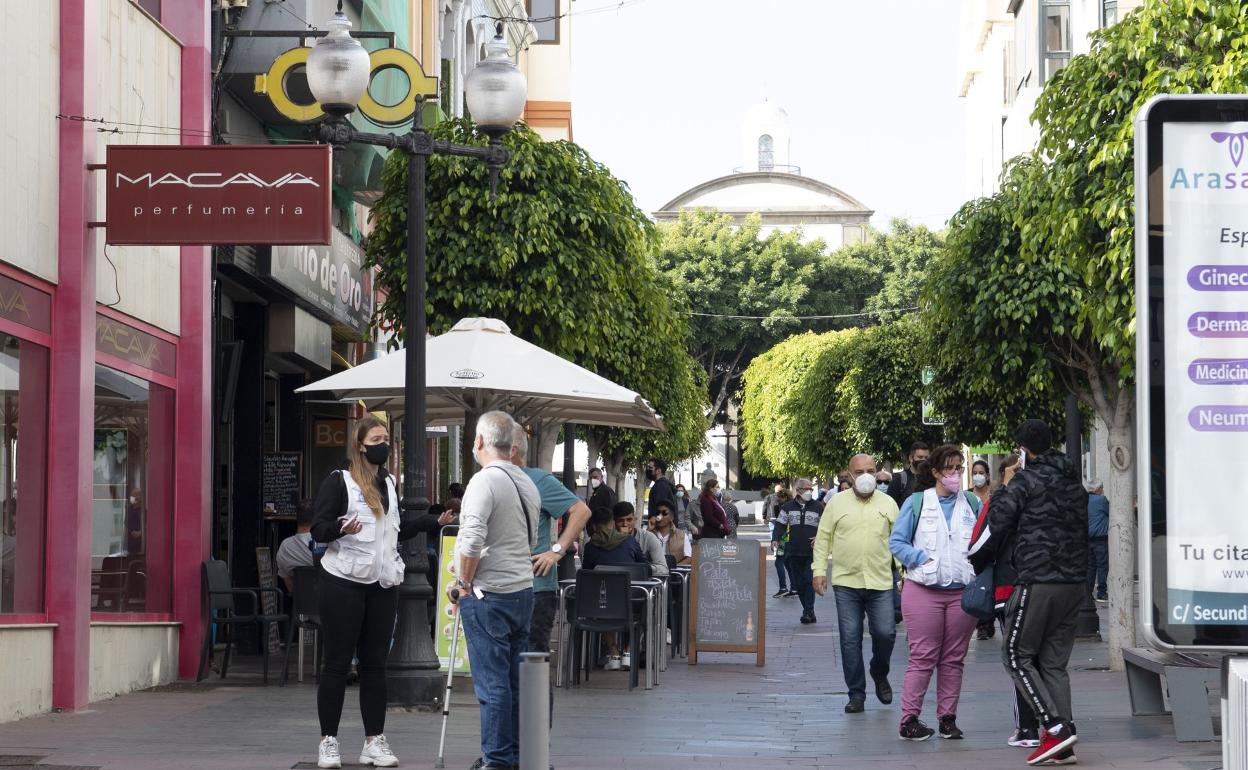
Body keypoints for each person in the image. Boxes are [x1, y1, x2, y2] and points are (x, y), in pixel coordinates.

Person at [309, 415, 446, 769]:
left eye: (386, 437)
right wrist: (341, 528)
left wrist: (433, 521)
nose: (383, 444)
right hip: (343, 583)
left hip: (382, 584)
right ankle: (329, 741)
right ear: (360, 445)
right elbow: (318, 530)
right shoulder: (339, 482)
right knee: (337, 665)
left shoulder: (388, 484)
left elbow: (393, 533)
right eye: (377, 438)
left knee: (375, 667)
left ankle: (374, 741)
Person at [969, 419, 1088, 766]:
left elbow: (998, 521)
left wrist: (1004, 486)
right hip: (1074, 584)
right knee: (1053, 663)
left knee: (1016, 655)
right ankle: (1064, 741)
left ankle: (1053, 728)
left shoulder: (1026, 481)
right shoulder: (1073, 482)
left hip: (1037, 579)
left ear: (1023, 449)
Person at [448, 411, 540, 770]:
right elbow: (528, 539)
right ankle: (514, 755)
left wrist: (463, 583)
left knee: (491, 685)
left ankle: (497, 760)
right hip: (522, 591)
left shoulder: (484, 482)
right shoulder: (525, 482)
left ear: (481, 441)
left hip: (489, 595)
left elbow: (471, 539)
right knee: (514, 682)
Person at [889, 445, 983, 741]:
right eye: (950, 468)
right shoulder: (917, 502)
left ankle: (947, 719)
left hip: (962, 593)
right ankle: (909, 719)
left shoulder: (970, 502)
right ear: (935, 473)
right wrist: (923, 560)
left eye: (959, 468)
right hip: (923, 590)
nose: (956, 474)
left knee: (954, 658)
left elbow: (985, 540)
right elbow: (897, 542)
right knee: (923, 656)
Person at [811, 455, 899, 714]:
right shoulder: (836, 504)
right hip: (846, 583)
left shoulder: (889, 503)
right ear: (848, 475)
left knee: (886, 633)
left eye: (870, 470)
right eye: (859, 471)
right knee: (850, 639)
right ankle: (856, 694)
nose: (866, 475)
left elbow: (898, 541)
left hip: (881, 581)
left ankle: (879, 671)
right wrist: (818, 572)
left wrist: (904, 575)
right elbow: (823, 538)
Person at [970, 454, 1041, 749]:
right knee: (1046, 659)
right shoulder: (1051, 496)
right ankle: (1057, 723)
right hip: (1051, 587)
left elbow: (979, 545)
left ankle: (1028, 728)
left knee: (1019, 658)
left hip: (1011, 588)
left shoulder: (1001, 501)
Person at [510, 424, 591, 656]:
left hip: (535, 588)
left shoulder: (537, 480)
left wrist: (557, 550)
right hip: (498, 589)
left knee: (531, 662)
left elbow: (581, 510)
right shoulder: (488, 479)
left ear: (511, 449)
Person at [581, 505, 649, 671]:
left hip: (602, 604)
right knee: (645, 607)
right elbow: (645, 567)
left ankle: (614, 653)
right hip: (632, 600)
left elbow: (586, 574)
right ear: (612, 523)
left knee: (601, 604)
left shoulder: (590, 547)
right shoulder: (630, 541)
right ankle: (628, 652)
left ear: (594, 526)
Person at [776, 478, 824, 624]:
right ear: (799, 491)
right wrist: (775, 539)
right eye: (806, 489)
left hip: (811, 552)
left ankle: (808, 611)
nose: (809, 491)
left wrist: (819, 536)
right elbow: (780, 525)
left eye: (811, 489)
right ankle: (808, 610)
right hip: (793, 551)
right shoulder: (787, 507)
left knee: (809, 581)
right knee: (799, 584)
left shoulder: (818, 507)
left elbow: (825, 526)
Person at [276, 499, 322, 593]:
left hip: (302, 604)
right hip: (331, 603)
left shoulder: (285, 547)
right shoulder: (326, 543)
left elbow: (291, 588)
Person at [614, 501, 668, 577]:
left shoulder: (649, 538)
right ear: (614, 522)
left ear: (635, 519)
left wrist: (640, 570)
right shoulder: (607, 540)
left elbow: (663, 569)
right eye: (620, 521)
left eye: (629, 520)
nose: (625, 524)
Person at [888, 441, 931, 511]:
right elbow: (890, 505)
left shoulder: (931, 479)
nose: (923, 460)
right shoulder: (899, 479)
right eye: (920, 457)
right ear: (911, 458)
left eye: (926, 458)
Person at [770, 488, 796, 598]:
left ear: (784, 497)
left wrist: (775, 539)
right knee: (789, 564)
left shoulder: (785, 508)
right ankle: (794, 588)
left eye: (779, 498)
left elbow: (780, 525)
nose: (778, 500)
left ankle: (783, 588)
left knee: (779, 562)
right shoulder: (794, 506)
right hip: (792, 540)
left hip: (784, 540)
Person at [648, 501, 691, 566]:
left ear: (672, 517)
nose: (660, 516)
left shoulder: (682, 535)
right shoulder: (648, 534)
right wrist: (648, 530)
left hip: (674, 574)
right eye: (658, 513)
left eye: (664, 513)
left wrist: (674, 568)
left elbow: (689, 557)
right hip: (653, 573)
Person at [1086, 481, 1109, 601]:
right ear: (1098, 489)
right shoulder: (1102, 500)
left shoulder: (1084, 500)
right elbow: (1111, 512)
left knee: (1091, 567)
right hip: (1101, 539)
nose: (1103, 490)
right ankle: (1101, 592)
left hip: (1087, 539)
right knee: (1102, 566)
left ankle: (1088, 593)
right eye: (1102, 487)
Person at [645, 459, 678, 524]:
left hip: (661, 528)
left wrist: (655, 521)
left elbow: (662, 509)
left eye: (650, 468)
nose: (648, 470)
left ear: (659, 471)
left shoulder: (661, 486)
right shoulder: (664, 484)